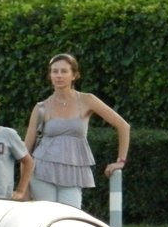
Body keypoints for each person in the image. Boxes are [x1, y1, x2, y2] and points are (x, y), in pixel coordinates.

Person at [23, 53, 130, 208]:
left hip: (73, 171)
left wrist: (121, 161)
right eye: (55, 71)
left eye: (64, 71)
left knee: (70, 218)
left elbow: (123, 126)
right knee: (46, 218)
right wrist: (23, 187)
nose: (59, 75)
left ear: (74, 75)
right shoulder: (41, 107)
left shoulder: (87, 100)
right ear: (50, 75)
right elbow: (25, 150)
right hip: (41, 171)